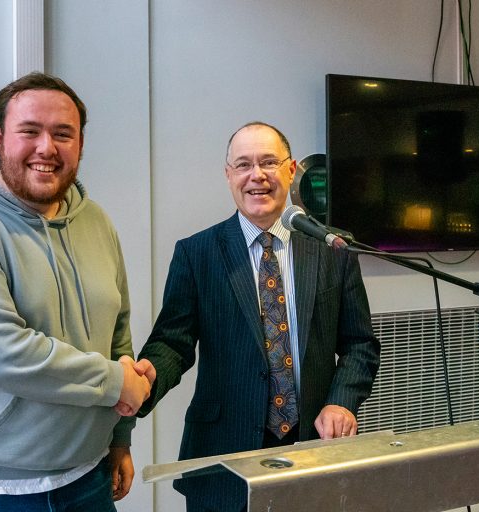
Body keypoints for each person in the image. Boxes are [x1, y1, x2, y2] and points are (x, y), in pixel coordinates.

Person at [0, 71, 151, 512]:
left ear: (80, 145)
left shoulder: (96, 221)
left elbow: (118, 332)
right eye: (29, 131)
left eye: (63, 134)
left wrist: (119, 437)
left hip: (84, 475)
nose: (46, 148)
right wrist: (117, 385)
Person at [135, 122, 380, 512]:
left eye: (269, 162)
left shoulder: (333, 248)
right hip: (223, 453)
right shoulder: (197, 253)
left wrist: (342, 402)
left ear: (291, 169)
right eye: (244, 164)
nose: (257, 175)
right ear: (229, 175)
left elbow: (359, 345)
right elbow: (173, 341)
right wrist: (150, 373)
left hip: (313, 448)